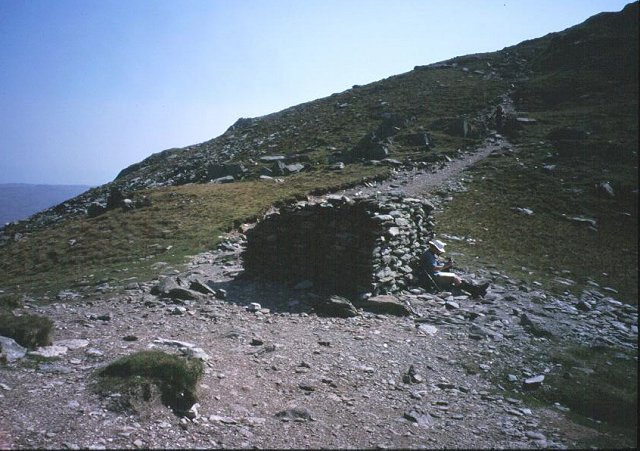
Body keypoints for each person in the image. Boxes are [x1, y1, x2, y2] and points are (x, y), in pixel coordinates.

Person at [422, 239, 489, 297]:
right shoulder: (429, 256)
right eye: (438, 250)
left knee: (456, 276)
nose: (439, 252)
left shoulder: (430, 254)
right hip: (434, 275)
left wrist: (445, 264)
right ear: (434, 248)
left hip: (434, 273)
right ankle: (475, 291)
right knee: (454, 278)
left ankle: (475, 289)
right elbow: (434, 268)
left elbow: (434, 266)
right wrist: (445, 266)